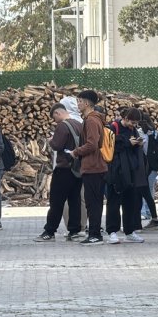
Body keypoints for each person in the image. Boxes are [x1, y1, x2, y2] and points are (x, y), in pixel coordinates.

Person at [34, 103, 83, 242]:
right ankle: (74, 230)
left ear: (57, 113)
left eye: (54, 117)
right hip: (77, 169)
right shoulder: (79, 124)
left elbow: (57, 145)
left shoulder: (62, 126)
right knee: (75, 200)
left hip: (63, 168)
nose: (54, 120)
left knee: (57, 202)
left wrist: (51, 140)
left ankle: (49, 231)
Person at [70, 90, 108, 245]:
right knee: (94, 201)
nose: (77, 104)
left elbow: (92, 144)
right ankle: (94, 232)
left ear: (86, 103)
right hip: (95, 165)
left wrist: (76, 152)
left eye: (79, 101)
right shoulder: (93, 119)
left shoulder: (92, 120)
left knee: (93, 202)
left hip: (93, 166)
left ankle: (95, 234)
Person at [105, 108, 146, 244]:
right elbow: (109, 146)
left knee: (131, 202)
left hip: (131, 171)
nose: (133, 126)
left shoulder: (133, 130)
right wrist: (128, 143)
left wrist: (137, 144)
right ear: (126, 118)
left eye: (136, 124)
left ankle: (130, 230)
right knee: (114, 202)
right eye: (132, 122)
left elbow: (132, 148)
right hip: (116, 171)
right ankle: (112, 231)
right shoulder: (113, 127)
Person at [60, 96, 87, 235]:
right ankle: (82, 226)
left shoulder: (65, 123)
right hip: (83, 165)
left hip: (67, 164)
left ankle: (71, 226)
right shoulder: (83, 121)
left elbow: (58, 144)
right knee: (81, 197)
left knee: (66, 197)